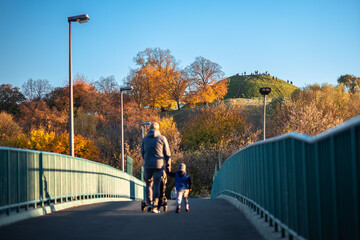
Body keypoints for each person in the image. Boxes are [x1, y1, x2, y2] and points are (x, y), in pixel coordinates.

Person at [141, 122, 171, 213]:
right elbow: (167, 153)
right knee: (157, 185)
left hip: (147, 165)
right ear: (158, 129)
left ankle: (149, 203)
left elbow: (142, 152)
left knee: (148, 184)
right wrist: (168, 165)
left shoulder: (145, 139)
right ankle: (155, 206)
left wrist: (146, 160)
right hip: (158, 165)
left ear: (149, 129)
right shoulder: (162, 138)